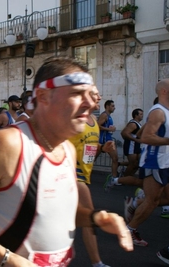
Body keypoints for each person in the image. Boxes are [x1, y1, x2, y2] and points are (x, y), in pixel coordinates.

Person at [0, 56, 132, 266]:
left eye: (91, 95)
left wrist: (96, 218)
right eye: (76, 94)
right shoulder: (9, 143)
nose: (91, 103)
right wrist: (4, 259)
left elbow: (56, 215)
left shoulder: (67, 149)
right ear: (44, 96)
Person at [68, 86, 115, 267]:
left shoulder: (94, 120)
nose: (100, 97)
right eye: (96, 95)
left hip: (84, 175)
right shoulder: (73, 119)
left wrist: (102, 149)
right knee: (89, 217)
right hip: (71, 175)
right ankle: (97, 263)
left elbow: (91, 154)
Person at [125, 79, 169, 248]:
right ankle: (129, 230)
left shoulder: (168, 112)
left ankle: (136, 203)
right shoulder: (158, 112)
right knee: (152, 202)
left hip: (165, 163)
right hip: (154, 162)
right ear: (164, 91)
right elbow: (145, 137)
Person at [97, 100, 120, 187]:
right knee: (91, 160)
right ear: (107, 106)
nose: (114, 108)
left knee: (115, 159)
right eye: (112, 106)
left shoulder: (109, 116)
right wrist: (109, 129)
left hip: (109, 140)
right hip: (102, 142)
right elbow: (97, 126)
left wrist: (111, 129)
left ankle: (114, 178)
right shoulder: (104, 115)